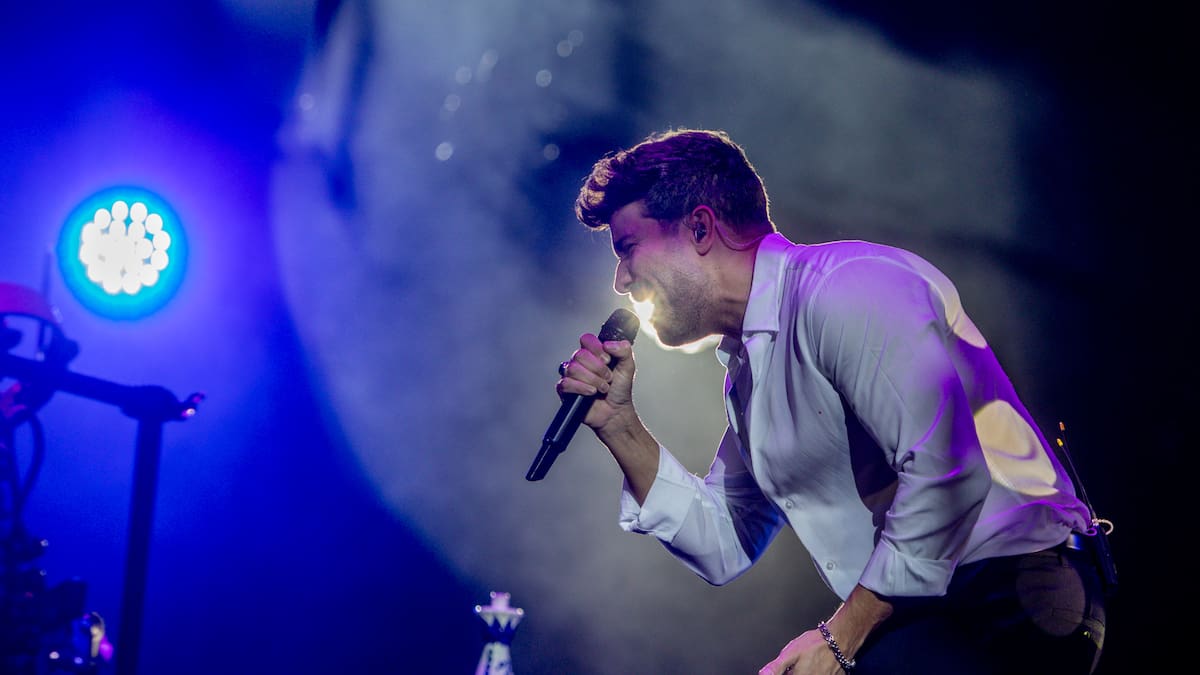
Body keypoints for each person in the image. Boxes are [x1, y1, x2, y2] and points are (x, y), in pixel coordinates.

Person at [555, 128, 1110, 674]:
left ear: (700, 228)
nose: (621, 280)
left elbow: (948, 475)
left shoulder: (846, 288)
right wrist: (620, 424)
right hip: (921, 613)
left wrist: (838, 641)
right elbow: (723, 541)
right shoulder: (750, 376)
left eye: (628, 248)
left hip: (1011, 589)